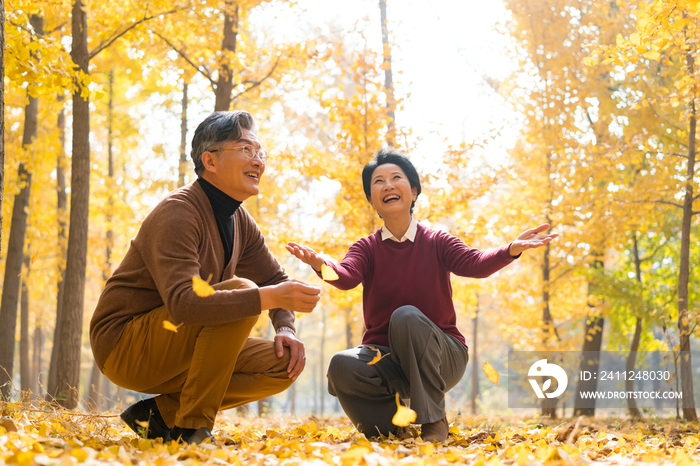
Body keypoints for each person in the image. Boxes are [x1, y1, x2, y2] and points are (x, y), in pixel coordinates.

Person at [287, 149, 557, 441]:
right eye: (378, 182)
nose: (387, 185)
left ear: (413, 191)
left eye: (396, 178)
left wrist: (511, 249)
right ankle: (390, 430)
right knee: (341, 363)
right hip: (385, 360)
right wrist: (320, 264)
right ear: (371, 200)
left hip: (443, 356)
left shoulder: (437, 241)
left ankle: (434, 422)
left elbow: (475, 264)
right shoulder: (367, 248)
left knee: (405, 316)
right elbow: (345, 277)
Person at [90, 111, 321, 444]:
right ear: (210, 161)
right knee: (243, 291)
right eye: (246, 149)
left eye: (260, 153)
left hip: (178, 343)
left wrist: (285, 326)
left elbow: (273, 276)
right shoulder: (178, 212)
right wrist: (267, 297)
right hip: (125, 345)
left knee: (282, 363)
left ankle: (157, 416)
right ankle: (191, 430)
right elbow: (185, 304)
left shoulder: (241, 220)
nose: (258, 161)